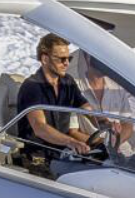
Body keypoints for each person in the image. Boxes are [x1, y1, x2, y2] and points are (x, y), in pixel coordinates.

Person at [13, 33, 97, 163]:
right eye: (61, 59)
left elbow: (86, 109)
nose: (67, 63)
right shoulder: (32, 86)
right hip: (37, 159)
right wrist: (71, 142)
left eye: (69, 58)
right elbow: (39, 127)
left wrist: (106, 123)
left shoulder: (68, 82)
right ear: (45, 59)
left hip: (62, 156)